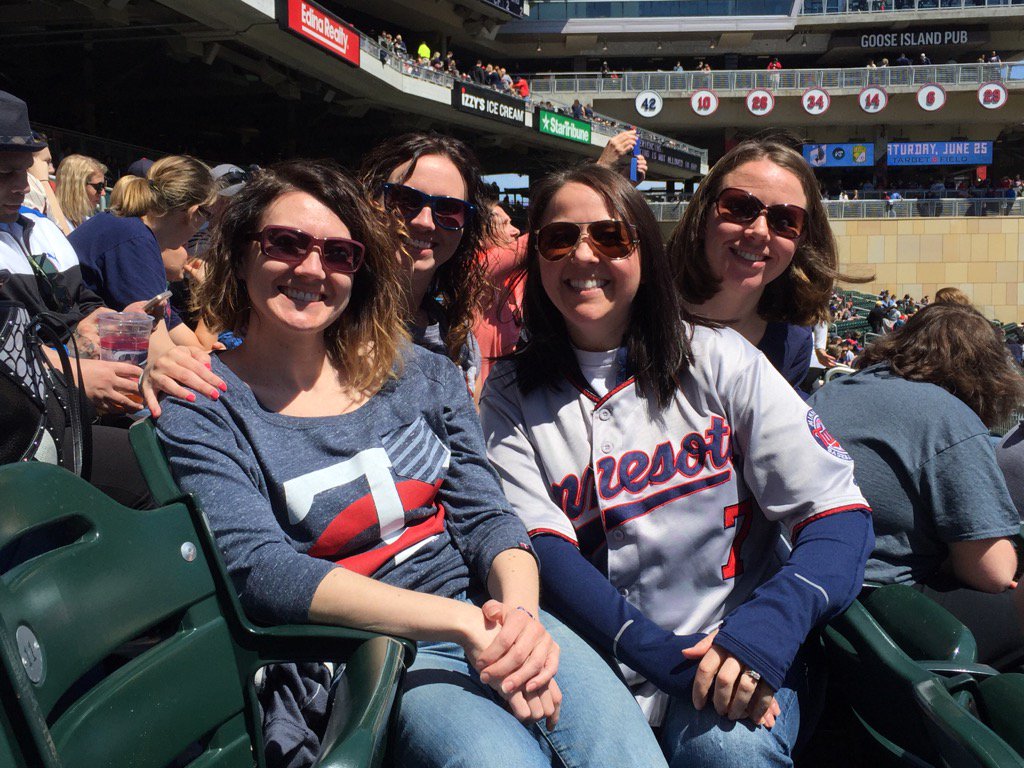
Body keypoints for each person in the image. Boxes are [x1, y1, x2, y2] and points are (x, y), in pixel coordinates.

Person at [154, 159, 665, 768]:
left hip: (491, 617)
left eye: (340, 253)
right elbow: (262, 571)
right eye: (286, 244)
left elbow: (488, 517)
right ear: (240, 255)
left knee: (629, 754)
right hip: (371, 656)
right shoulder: (203, 404)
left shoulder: (422, 373)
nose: (312, 269)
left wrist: (522, 622)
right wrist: (460, 625)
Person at [480, 164, 872, 768]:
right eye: (559, 239)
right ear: (536, 261)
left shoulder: (718, 356)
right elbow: (543, 552)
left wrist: (769, 627)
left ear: (645, 253)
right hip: (597, 660)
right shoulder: (507, 393)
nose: (584, 255)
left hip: (731, 641)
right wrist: (662, 659)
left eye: (610, 237)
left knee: (728, 752)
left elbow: (840, 514)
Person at [808, 303, 1024, 669]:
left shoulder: (835, 390)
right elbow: (992, 572)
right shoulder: (948, 415)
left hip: (815, 593)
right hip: (877, 612)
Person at [668, 137, 855, 391]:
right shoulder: (638, 311)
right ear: (702, 216)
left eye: (785, 219)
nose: (759, 231)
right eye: (739, 207)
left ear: (802, 239)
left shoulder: (792, 343)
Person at [360, 133, 489, 392]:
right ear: (370, 203)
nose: (424, 222)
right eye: (405, 200)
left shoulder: (459, 339)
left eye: (449, 209)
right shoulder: (330, 324)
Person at [69, 155, 217, 349]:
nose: (206, 226)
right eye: (207, 215)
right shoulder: (134, 241)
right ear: (193, 213)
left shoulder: (132, 232)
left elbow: (199, 346)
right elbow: (162, 353)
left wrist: (211, 291)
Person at [55, 153, 107, 230]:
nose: (103, 193)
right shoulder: (52, 223)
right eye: (99, 186)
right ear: (77, 187)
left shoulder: (89, 222)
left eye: (104, 186)